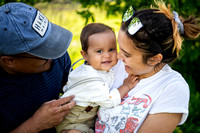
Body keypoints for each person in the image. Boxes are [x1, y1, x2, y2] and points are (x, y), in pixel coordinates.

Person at [95, 0, 200, 132]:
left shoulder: (172, 88)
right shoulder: (116, 66)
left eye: (126, 54)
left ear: (154, 59)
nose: (117, 56)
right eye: (118, 48)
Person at [0, 2, 76, 133]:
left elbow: (72, 90)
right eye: (43, 54)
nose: (53, 56)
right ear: (9, 61)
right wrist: (35, 124)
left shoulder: (56, 55)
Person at [56, 23, 139, 133]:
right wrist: (126, 86)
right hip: (74, 119)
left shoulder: (87, 67)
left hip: (85, 116)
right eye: (99, 51)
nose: (107, 55)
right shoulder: (92, 79)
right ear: (85, 55)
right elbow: (109, 101)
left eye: (112, 49)